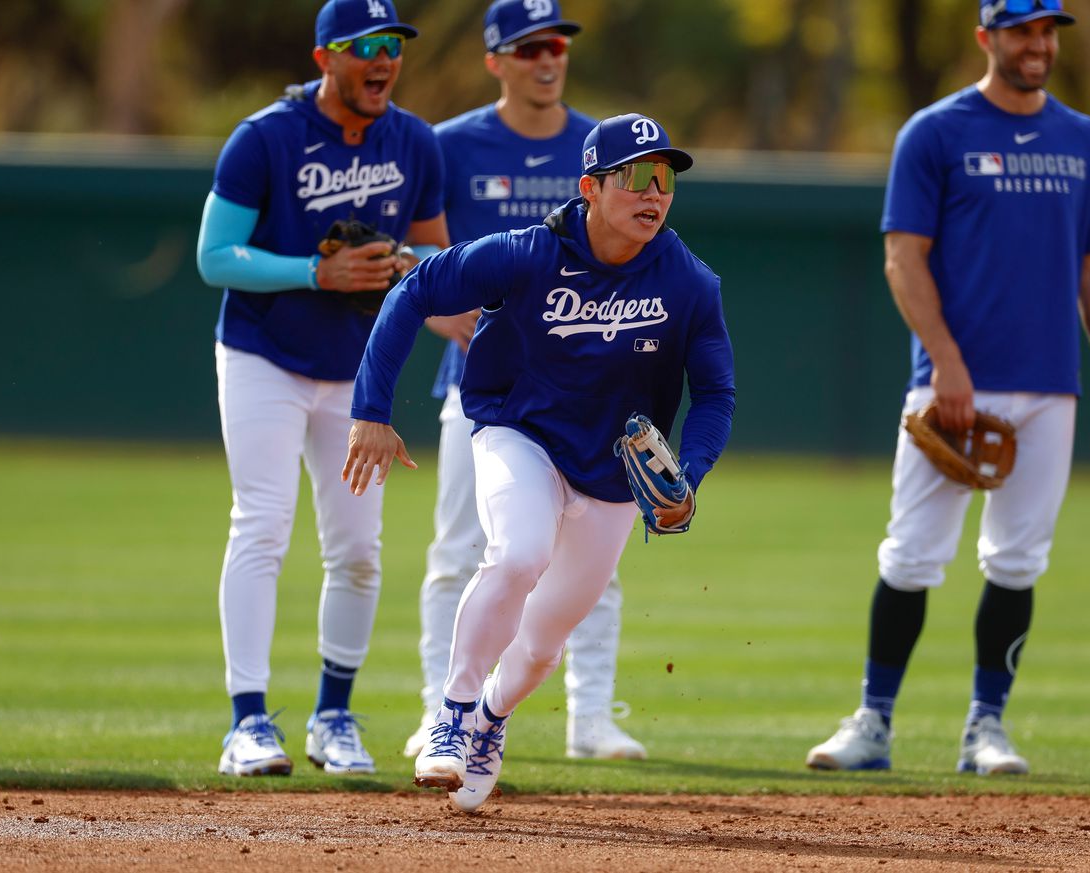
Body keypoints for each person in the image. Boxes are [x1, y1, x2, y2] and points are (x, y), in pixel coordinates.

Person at [343, 113, 735, 812]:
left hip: (614, 471)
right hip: (516, 432)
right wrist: (372, 408)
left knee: (545, 641)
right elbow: (415, 290)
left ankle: (491, 719)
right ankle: (455, 710)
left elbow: (715, 392)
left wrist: (690, 474)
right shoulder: (527, 253)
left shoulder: (690, 283)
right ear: (590, 186)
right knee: (518, 553)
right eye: (638, 177)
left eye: (666, 177)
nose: (655, 192)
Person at [807, 0, 1090, 776]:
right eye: (1023, 30)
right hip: (949, 386)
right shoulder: (935, 132)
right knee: (912, 554)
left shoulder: (1081, 138)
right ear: (986, 37)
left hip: (1050, 384)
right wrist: (946, 361)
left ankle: (986, 726)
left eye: (1049, 31)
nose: (1039, 44)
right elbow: (902, 257)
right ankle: (873, 722)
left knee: (1019, 559)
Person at [196, 0, 449, 777]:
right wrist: (316, 270)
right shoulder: (265, 137)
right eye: (364, 46)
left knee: (358, 550)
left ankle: (334, 716)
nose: (383, 59)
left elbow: (440, 255)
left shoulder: (414, 142)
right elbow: (215, 256)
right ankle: (248, 723)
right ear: (323, 58)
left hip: (356, 368)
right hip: (263, 355)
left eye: (393, 45)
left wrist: (410, 267)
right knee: (262, 526)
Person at [401, 0, 646, 763]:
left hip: (587, 388)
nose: (549, 58)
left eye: (558, 44)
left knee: (593, 564)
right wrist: (451, 319)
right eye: (530, 46)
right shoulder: (451, 145)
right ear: (496, 60)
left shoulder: (598, 145)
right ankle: (439, 710)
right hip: (483, 384)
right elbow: (417, 258)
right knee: (462, 551)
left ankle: (592, 716)